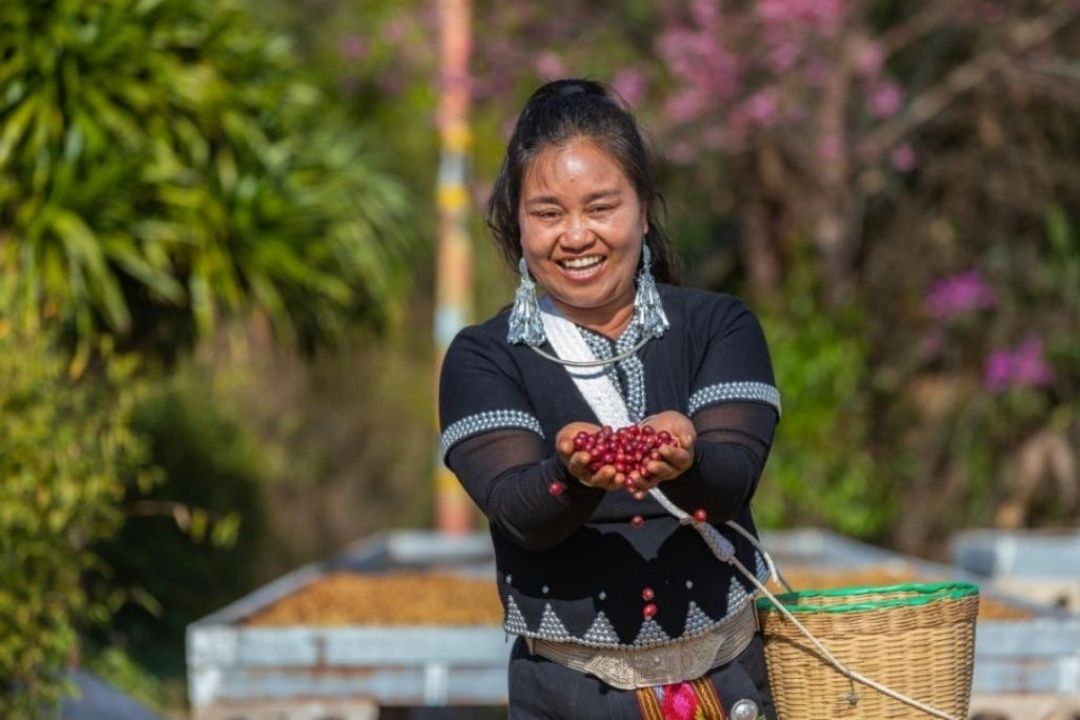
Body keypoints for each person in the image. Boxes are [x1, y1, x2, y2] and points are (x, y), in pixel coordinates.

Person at [438, 78, 781, 720]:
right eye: (548, 214)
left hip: (730, 683)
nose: (576, 236)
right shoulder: (483, 356)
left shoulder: (719, 327)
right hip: (568, 697)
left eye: (601, 207)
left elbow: (732, 478)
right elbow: (518, 510)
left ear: (643, 211)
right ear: (518, 223)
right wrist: (568, 475)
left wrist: (689, 460)